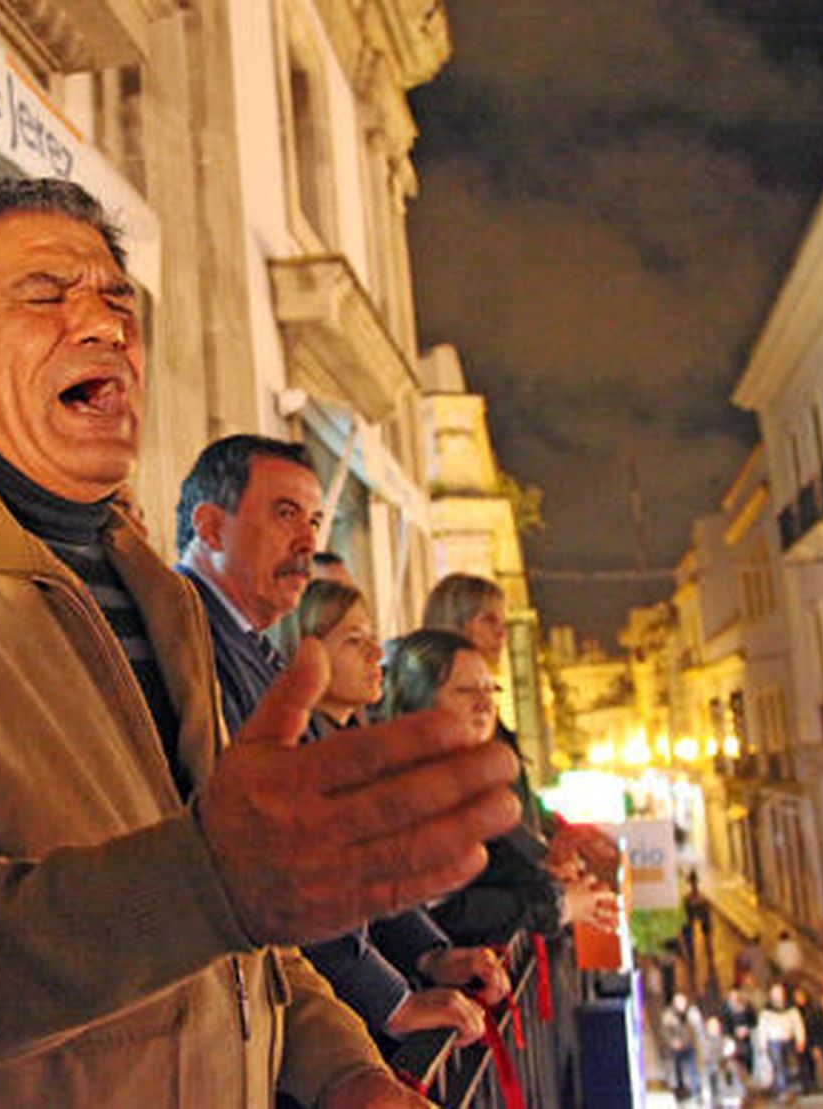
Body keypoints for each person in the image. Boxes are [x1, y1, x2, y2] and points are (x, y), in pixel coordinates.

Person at [0, 177, 521, 1106]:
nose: (106, 329)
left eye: (118, 303)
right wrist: (206, 878)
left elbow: (240, 930)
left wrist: (344, 1071)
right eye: (46, 296)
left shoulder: (159, 598)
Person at [175, 438, 505, 1050]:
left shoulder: (248, 645)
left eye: (315, 519)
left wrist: (426, 957)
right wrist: (393, 1001)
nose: (308, 541)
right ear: (210, 526)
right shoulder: (191, 642)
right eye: (284, 514)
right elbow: (284, 859)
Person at [294, 578, 510, 1044]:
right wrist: (394, 1001)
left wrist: (432, 955)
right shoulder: (305, 760)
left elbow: (383, 892)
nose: (375, 653)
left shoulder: (349, 744)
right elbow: (329, 909)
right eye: (353, 641)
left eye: (489, 691)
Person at [381, 629, 618, 945]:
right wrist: (557, 904)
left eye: (490, 689)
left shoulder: (474, 780)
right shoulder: (417, 791)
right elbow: (445, 909)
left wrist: (549, 871)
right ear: (418, 699)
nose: (483, 704)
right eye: (465, 691)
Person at [756, 982, 806, 1098]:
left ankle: (792, 1087)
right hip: (774, 1042)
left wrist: (800, 1039)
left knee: (791, 1064)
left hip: (788, 1040)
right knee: (779, 1066)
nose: (778, 995)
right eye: (775, 993)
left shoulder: (791, 1009)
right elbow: (762, 1029)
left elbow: (798, 1025)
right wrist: (762, 1044)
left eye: (780, 993)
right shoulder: (766, 1012)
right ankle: (783, 1090)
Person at [659, 992, 702, 1100]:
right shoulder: (668, 1015)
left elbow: (696, 1028)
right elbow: (664, 1032)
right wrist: (672, 1042)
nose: (681, 1005)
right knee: (678, 1069)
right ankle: (680, 1090)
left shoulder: (691, 1013)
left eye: (683, 1002)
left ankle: (696, 1091)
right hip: (676, 1046)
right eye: (679, 1002)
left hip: (688, 1044)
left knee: (693, 1068)